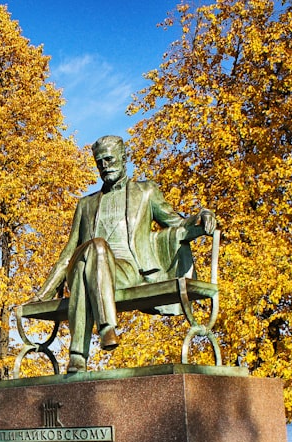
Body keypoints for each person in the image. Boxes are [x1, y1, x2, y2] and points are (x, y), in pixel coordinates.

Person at [33, 135, 216, 373]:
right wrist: (42, 295)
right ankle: (107, 328)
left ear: (124, 157)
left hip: (127, 271)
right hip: (87, 264)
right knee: (90, 252)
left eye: (109, 159)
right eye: (99, 163)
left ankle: (78, 355)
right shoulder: (85, 205)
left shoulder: (146, 192)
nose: (104, 166)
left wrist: (202, 218)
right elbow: (69, 253)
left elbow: (176, 223)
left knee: (83, 266)